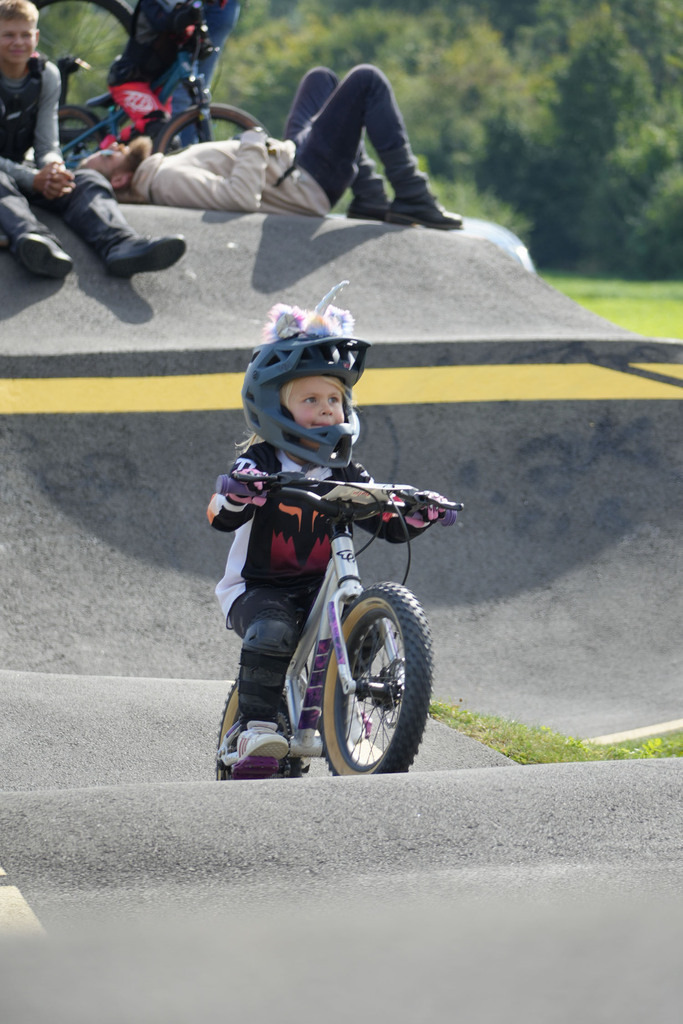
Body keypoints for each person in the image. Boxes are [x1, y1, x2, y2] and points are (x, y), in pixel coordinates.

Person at [206, 282, 454, 779]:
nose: (326, 409)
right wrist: (240, 489)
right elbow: (221, 512)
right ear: (275, 406)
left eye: (335, 399)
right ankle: (252, 727)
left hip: (320, 591)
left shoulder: (345, 472)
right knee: (273, 631)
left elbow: (380, 519)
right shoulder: (260, 461)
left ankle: (351, 709)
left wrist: (414, 513)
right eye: (311, 398)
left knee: (362, 637)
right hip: (259, 589)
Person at [83, 63, 463, 230]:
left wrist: (254, 148)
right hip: (307, 184)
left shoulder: (158, 170)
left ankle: (371, 198)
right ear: (118, 181)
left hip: (291, 163)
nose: (109, 146)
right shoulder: (163, 181)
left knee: (322, 80)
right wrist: (250, 140)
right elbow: (239, 198)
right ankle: (413, 194)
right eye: (102, 156)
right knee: (367, 80)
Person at [0, 0, 186, 278]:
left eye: (25, 34)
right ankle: (34, 242)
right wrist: (33, 179)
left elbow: (47, 142)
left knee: (88, 180)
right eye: (8, 35)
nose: (19, 42)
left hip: (24, 171)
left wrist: (54, 168)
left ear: (36, 37)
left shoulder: (46, 76)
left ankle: (121, 244)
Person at [107, 0, 215, 141]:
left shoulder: (184, 11)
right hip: (129, 80)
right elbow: (166, 22)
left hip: (155, 85)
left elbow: (193, 40)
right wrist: (190, 14)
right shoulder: (150, 5)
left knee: (169, 138)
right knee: (158, 126)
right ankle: (112, 144)